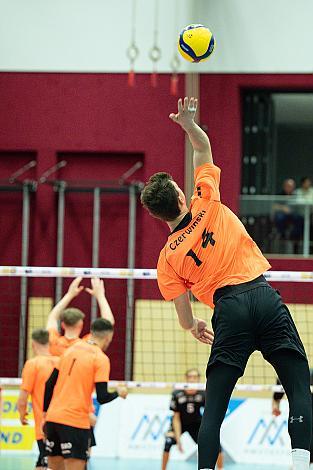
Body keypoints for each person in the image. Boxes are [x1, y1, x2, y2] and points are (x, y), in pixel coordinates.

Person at [140, 97, 312, 470]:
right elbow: (202, 147)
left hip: (227, 312)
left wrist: (194, 326)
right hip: (263, 296)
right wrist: (187, 123)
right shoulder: (207, 200)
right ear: (182, 196)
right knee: (300, 385)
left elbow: (185, 316)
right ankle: (302, 463)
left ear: (156, 216)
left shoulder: (166, 259)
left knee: (214, 405)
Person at [43, 318, 128, 470]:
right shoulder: (100, 359)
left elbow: (49, 384)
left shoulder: (70, 350)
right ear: (109, 337)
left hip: (53, 419)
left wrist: (45, 414)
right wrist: (118, 393)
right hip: (75, 422)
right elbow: (102, 397)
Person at [162, 368, 223, 470]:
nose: (192, 379)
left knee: (215, 444)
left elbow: (210, 413)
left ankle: (221, 468)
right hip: (180, 424)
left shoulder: (203, 393)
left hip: (196, 424)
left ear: (199, 379)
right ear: (186, 378)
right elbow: (176, 418)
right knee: (168, 442)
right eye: (190, 377)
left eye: (195, 377)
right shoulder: (177, 393)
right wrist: (178, 440)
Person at [17, 329, 59, 470]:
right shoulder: (61, 361)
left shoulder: (33, 364)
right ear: (49, 343)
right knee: (42, 463)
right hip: (63, 421)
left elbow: (23, 397)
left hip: (44, 425)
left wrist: (22, 414)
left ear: (33, 344)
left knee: (50, 464)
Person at [47, 277, 115, 356]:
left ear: (63, 325)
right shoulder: (87, 344)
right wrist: (100, 296)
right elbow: (108, 323)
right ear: (81, 324)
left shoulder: (53, 342)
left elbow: (52, 317)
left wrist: (69, 294)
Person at [272, 372, 313, 468]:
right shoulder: (284, 376)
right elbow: (276, 396)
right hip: (303, 414)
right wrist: (275, 407)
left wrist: (275, 406)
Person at [273, 178, 303, 243]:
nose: (290, 188)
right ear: (284, 186)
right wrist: (283, 208)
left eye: (291, 187)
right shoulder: (280, 195)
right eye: (288, 186)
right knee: (279, 218)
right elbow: (274, 206)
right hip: (283, 215)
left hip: (293, 214)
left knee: (299, 218)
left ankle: (295, 236)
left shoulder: (296, 195)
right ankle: (282, 235)